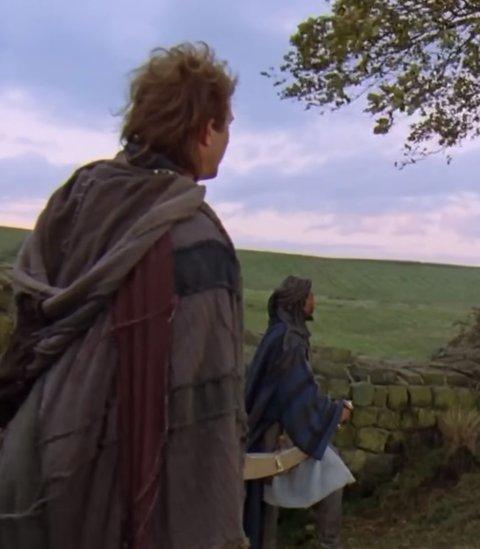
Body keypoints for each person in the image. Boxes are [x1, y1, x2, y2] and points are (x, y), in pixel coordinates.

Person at [0, 43, 247, 548]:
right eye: (226, 125)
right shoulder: (194, 238)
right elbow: (204, 419)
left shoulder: (76, 201)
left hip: (29, 467)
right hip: (122, 494)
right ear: (203, 129)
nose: (227, 139)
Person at [244, 276, 352, 549]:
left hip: (267, 428)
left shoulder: (281, 333)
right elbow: (297, 395)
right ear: (299, 302)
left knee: (263, 504)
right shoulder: (288, 340)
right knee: (333, 471)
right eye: (310, 296)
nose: (314, 301)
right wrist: (336, 411)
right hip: (268, 434)